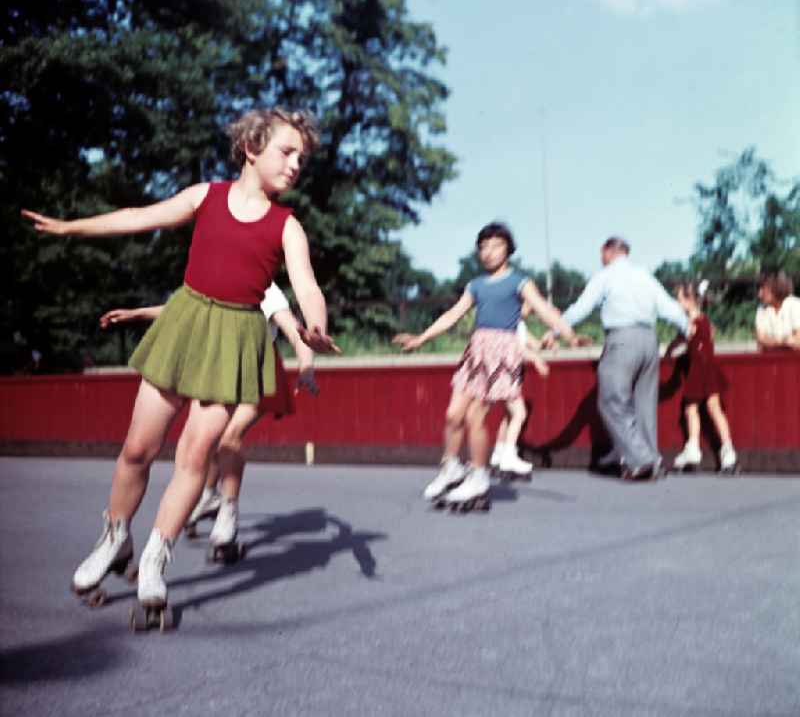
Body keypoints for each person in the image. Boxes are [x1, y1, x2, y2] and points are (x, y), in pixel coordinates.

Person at [22, 107, 338, 614]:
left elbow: (306, 286)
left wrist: (315, 326)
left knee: (195, 456)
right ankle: (114, 538)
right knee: (136, 450)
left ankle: (154, 557)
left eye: (303, 157)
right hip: (186, 324)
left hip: (235, 339)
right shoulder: (205, 197)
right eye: (287, 151)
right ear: (252, 148)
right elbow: (137, 217)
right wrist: (69, 229)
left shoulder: (287, 226)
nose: (297, 163)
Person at [99, 282, 319, 550]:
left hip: (259, 372)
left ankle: (228, 509)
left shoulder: (265, 289)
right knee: (211, 440)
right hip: (226, 369)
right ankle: (211, 495)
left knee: (229, 437)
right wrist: (138, 314)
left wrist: (307, 366)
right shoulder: (218, 274)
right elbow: (185, 309)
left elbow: (295, 330)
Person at [394, 222, 578, 508]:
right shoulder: (476, 285)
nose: (489, 252)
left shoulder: (519, 282)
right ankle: (451, 467)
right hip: (476, 351)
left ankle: (479, 475)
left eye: (496, 246)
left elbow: (543, 309)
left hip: (501, 354)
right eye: (483, 247)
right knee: (453, 415)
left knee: (475, 417)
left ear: (508, 250)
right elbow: (453, 314)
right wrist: (422, 338)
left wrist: (569, 335)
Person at [542, 237, 689, 480]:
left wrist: (555, 329)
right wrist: (686, 330)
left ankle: (642, 459)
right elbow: (670, 309)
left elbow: (582, 307)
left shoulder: (605, 276)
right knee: (644, 404)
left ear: (607, 252)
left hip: (621, 339)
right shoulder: (644, 275)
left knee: (611, 399)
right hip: (649, 340)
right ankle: (650, 459)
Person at [665, 281, 737, 473]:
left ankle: (720, 449)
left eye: (679, 299)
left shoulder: (694, 324)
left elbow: (683, 345)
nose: (677, 302)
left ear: (689, 301)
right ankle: (705, 448)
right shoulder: (702, 322)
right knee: (703, 408)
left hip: (700, 371)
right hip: (703, 370)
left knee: (701, 409)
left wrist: (675, 349)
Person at [489, 311, 550, 474]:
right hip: (505, 372)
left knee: (509, 415)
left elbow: (534, 345)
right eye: (528, 305)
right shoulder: (508, 322)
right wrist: (536, 360)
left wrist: (547, 341)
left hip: (513, 373)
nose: (530, 310)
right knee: (520, 413)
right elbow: (517, 348)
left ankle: (498, 453)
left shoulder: (520, 325)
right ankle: (508, 456)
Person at [754, 271, 800, 351]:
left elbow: (797, 341)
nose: (759, 294)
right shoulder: (761, 309)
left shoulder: (795, 305)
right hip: (770, 360)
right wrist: (784, 341)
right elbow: (760, 340)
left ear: (777, 287)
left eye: (763, 288)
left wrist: (770, 342)